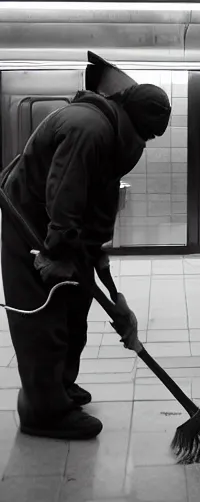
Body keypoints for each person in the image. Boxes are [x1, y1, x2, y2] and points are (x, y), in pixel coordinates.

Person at [0, 83, 171, 440]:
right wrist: (57, 253)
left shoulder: (112, 134)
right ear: (131, 121)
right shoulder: (89, 130)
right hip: (31, 231)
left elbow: (96, 210)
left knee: (76, 308)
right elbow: (64, 193)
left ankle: (61, 387)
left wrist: (109, 285)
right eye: (144, 135)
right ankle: (43, 410)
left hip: (63, 232)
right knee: (44, 321)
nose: (142, 144)